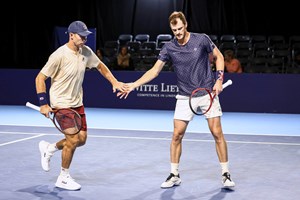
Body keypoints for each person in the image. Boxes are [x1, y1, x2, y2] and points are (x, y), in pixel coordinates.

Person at [118, 11, 235, 189]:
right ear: (171, 29)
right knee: (176, 135)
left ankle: (225, 174)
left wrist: (219, 79)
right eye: (174, 30)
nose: (178, 32)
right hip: (184, 97)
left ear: (185, 25)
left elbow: (218, 57)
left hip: (207, 94)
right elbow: (154, 71)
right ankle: (174, 174)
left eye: (180, 28)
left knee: (217, 133)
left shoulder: (201, 39)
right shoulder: (169, 47)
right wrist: (134, 85)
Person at [35, 20, 125, 190]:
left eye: (85, 36)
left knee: (81, 140)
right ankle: (63, 177)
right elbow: (40, 78)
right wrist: (43, 103)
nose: (84, 38)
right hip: (61, 104)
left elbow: (100, 66)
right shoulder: (59, 55)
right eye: (81, 36)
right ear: (71, 35)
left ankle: (49, 148)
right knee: (73, 139)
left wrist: (114, 82)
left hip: (77, 103)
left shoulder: (86, 52)